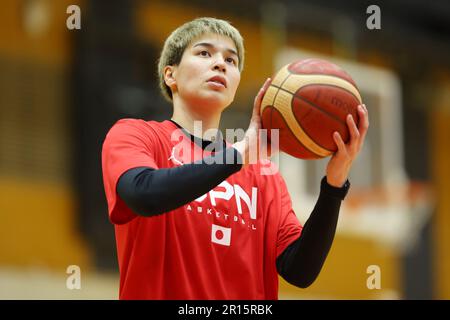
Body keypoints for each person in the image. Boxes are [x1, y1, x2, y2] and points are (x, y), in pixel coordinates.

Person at [101, 17, 369, 300]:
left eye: (231, 60)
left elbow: (299, 271)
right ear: (171, 75)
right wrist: (241, 154)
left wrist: (335, 183)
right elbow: (144, 194)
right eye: (204, 53)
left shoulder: (264, 174)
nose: (220, 64)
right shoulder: (136, 135)